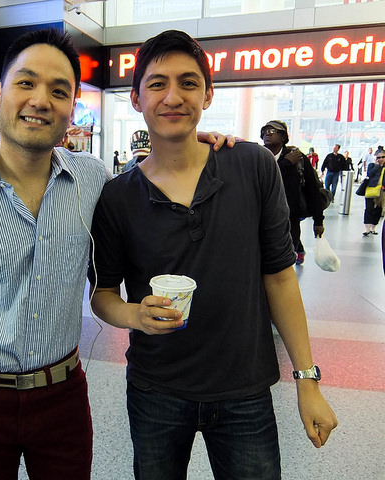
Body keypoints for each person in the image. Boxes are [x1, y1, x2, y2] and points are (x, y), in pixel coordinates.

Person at [0, 28, 233, 480]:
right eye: (26, 83)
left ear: (71, 107)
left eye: (59, 91)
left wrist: (199, 144)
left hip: (61, 396)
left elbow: (159, 173)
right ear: (0, 93)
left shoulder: (92, 180)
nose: (41, 100)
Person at [88, 30, 337, 480]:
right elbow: (103, 294)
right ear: (136, 97)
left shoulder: (252, 166)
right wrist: (134, 316)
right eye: (158, 83)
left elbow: (279, 277)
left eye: (188, 82)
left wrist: (307, 380)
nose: (173, 97)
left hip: (245, 390)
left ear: (207, 94)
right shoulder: (117, 197)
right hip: (155, 388)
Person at [262, 120, 325, 265]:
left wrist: (318, 220)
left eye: (272, 131)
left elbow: (312, 190)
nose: (267, 134)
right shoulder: (260, 156)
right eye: (264, 131)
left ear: (283, 137)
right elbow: (263, 180)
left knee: (286, 259)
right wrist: (285, 164)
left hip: (291, 218)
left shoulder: (298, 158)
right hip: (263, 219)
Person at [363, 148, 385, 236]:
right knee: (369, 208)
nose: (381, 159)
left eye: (383, 157)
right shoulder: (372, 165)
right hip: (371, 189)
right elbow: (369, 174)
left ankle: (373, 227)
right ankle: (367, 229)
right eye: (379, 157)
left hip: (382, 191)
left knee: (378, 210)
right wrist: (377, 166)